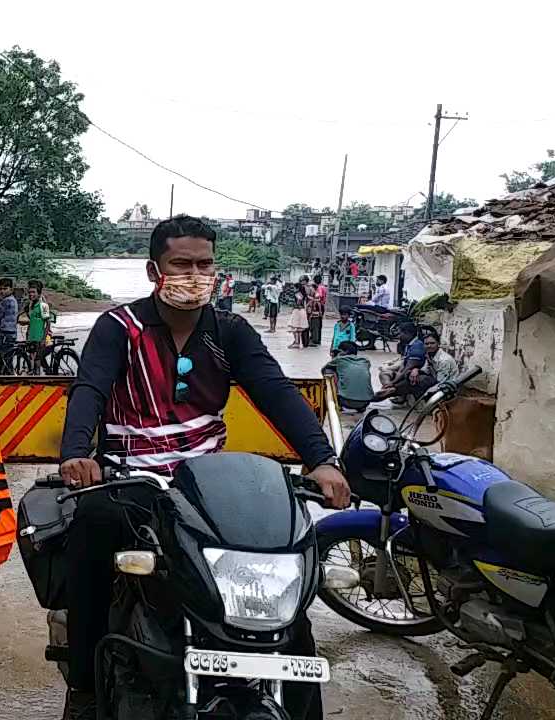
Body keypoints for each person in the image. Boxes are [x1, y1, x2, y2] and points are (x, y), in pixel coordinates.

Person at [56, 215, 349, 720]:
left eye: (204, 264)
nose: (195, 274)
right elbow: (90, 390)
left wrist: (322, 460)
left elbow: (275, 392)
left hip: (207, 487)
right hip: (134, 481)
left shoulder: (229, 331)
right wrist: (78, 453)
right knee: (89, 543)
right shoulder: (118, 328)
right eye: (181, 264)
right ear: (154, 270)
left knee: (285, 584)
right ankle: (84, 684)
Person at [374, 324, 432, 403]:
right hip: (405, 373)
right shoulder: (409, 344)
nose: (399, 336)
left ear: (408, 333)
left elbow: (408, 368)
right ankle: (389, 389)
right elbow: (403, 364)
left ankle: (392, 391)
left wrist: (393, 382)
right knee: (384, 374)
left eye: (400, 333)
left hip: (412, 376)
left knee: (379, 395)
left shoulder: (417, 347)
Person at [323, 341, 374, 412]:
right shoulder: (365, 361)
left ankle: (336, 401)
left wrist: (335, 357)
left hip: (345, 401)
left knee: (328, 371)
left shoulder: (340, 359)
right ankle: (360, 405)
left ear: (342, 351)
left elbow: (323, 369)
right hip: (366, 402)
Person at [287, 277, 310, 349]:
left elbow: (299, 300)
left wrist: (296, 306)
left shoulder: (297, 293)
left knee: (295, 327)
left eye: (294, 287)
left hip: (298, 310)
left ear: (297, 288)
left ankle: (297, 342)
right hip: (302, 310)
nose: (293, 289)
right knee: (299, 328)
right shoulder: (304, 293)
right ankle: (297, 342)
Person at [308, 274, 328, 346]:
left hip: (317, 306)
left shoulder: (318, 288)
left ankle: (314, 339)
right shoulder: (323, 287)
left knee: (315, 323)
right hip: (322, 305)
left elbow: (318, 298)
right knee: (319, 323)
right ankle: (318, 339)